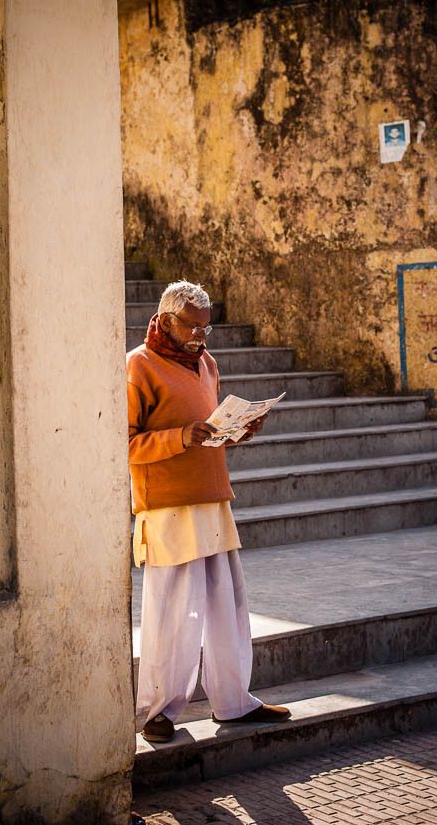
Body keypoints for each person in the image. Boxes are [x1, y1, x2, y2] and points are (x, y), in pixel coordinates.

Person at [127, 280, 290, 743]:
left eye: (206, 327)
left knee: (227, 602)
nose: (201, 336)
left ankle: (235, 700)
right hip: (167, 506)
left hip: (213, 496)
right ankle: (159, 711)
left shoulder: (206, 362)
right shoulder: (137, 366)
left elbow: (206, 430)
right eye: (193, 327)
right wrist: (181, 436)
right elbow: (123, 443)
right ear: (165, 319)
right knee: (173, 611)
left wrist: (236, 431)